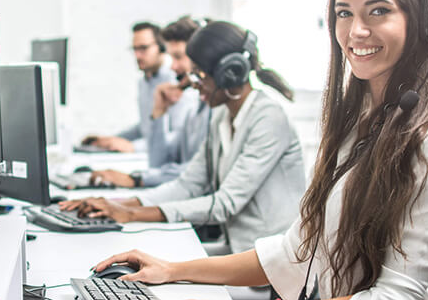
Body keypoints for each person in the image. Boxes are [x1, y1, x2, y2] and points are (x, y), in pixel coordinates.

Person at [89, 0, 428, 300]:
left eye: (378, 11)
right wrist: (171, 270)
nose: (356, 32)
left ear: (424, 19)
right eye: (343, 13)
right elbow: (294, 252)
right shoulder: (359, 125)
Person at [62, 21, 305, 254]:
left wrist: (132, 214)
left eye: (199, 74)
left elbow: (224, 204)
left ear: (228, 74)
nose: (193, 83)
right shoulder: (222, 115)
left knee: (163, 279)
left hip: (271, 267)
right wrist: (118, 203)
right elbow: (188, 185)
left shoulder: (268, 118)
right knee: (148, 263)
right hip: (240, 250)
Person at [90, 16, 211, 188]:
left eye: (178, 57)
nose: (173, 66)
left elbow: (199, 174)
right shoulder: (193, 110)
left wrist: (136, 176)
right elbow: (159, 161)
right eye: (135, 49)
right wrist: (158, 112)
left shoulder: (191, 97)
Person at [81, 22, 197, 154]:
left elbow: (179, 137)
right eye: (134, 49)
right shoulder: (144, 82)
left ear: (161, 48)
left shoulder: (177, 81)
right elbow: (144, 128)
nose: (137, 55)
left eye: (143, 48)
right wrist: (112, 140)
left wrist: (133, 147)